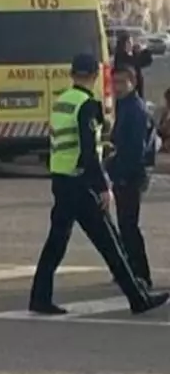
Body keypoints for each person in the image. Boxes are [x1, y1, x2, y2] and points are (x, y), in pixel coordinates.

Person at [29, 53, 168, 316]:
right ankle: (138, 299)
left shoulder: (61, 102)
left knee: (56, 243)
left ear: (72, 74)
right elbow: (87, 151)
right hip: (81, 182)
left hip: (61, 179)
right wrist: (103, 186)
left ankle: (40, 296)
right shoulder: (87, 105)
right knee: (109, 242)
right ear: (94, 76)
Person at [107, 64, 154, 286]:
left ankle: (141, 273)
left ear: (132, 83)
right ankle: (128, 270)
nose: (116, 87)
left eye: (121, 82)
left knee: (129, 225)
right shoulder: (125, 105)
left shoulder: (136, 109)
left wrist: (123, 173)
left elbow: (135, 149)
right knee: (124, 225)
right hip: (123, 173)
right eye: (113, 82)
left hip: (132, 174)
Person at [113, 33, 152, 100]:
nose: (132, 45)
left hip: (132, 92)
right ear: (124, 44)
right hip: (128, 94)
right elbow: (141, 61)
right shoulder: (122, 57)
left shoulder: (126, 56)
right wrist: (143, 50)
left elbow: (146, 61)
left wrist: (137, 52)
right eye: (130, 42)